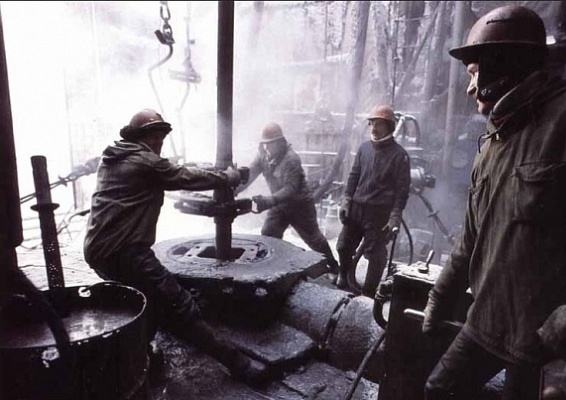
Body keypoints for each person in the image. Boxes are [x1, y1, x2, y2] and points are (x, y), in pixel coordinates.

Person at [421, 5, 566, 399]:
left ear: (502, 63)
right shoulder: (493, 141)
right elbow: (471, 237)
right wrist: (440, 297)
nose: (470, 89)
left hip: (548, 339)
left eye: (474, 73)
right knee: (439, 391)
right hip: (488, 320)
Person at [83, 108, 269, 387]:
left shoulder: (115, 157)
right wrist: (228, 177)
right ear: (139, 137)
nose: (159, 143)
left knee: (145, 301)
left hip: (99, 252)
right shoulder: (146, 162)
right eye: (154, 137)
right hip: (127, 252)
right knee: (179, 304)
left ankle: (140, 360)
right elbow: (183, 177)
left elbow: (169, 170)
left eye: (161, 137)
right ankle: (239, 364)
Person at [235, 122, 340, 279]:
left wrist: (268, 201)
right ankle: (273, 268)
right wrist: (234, 191)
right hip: (278, 205)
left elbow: (290, 189)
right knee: (269, 233)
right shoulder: (262, 155)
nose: (266, 147)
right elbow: (250, 175)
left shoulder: (291, 159)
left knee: (314, 239)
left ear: (279, 142)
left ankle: (333, 267)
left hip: (300, 206)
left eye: (270, 144)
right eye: (264, 144)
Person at [336, 105, 411, 298]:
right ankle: (343, 276)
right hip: (356, 209)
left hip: (379, 214)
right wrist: (346, 200)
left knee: (375, 256)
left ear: (389, 127)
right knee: (343, 246)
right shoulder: (364, 149)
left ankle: (368, 294)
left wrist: (395, 217)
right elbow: (354, 176)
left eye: (379, 124)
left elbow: (402, 191)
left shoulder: (399, 155)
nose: (374, 128)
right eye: (371, 124)